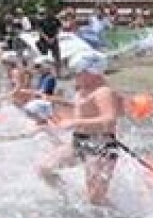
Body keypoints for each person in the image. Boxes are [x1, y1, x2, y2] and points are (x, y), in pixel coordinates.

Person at [38, 52, 123, 205]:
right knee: (44, 168)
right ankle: (71, 198)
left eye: (78, 72)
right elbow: (81, 108)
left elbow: (109, 118)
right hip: (78, 142)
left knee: (96, 200)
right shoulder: (82, 90)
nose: (75, 75)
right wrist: (57, 106)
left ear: (93, 72)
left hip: (100, 146)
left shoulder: (103, 92)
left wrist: (74, 122)